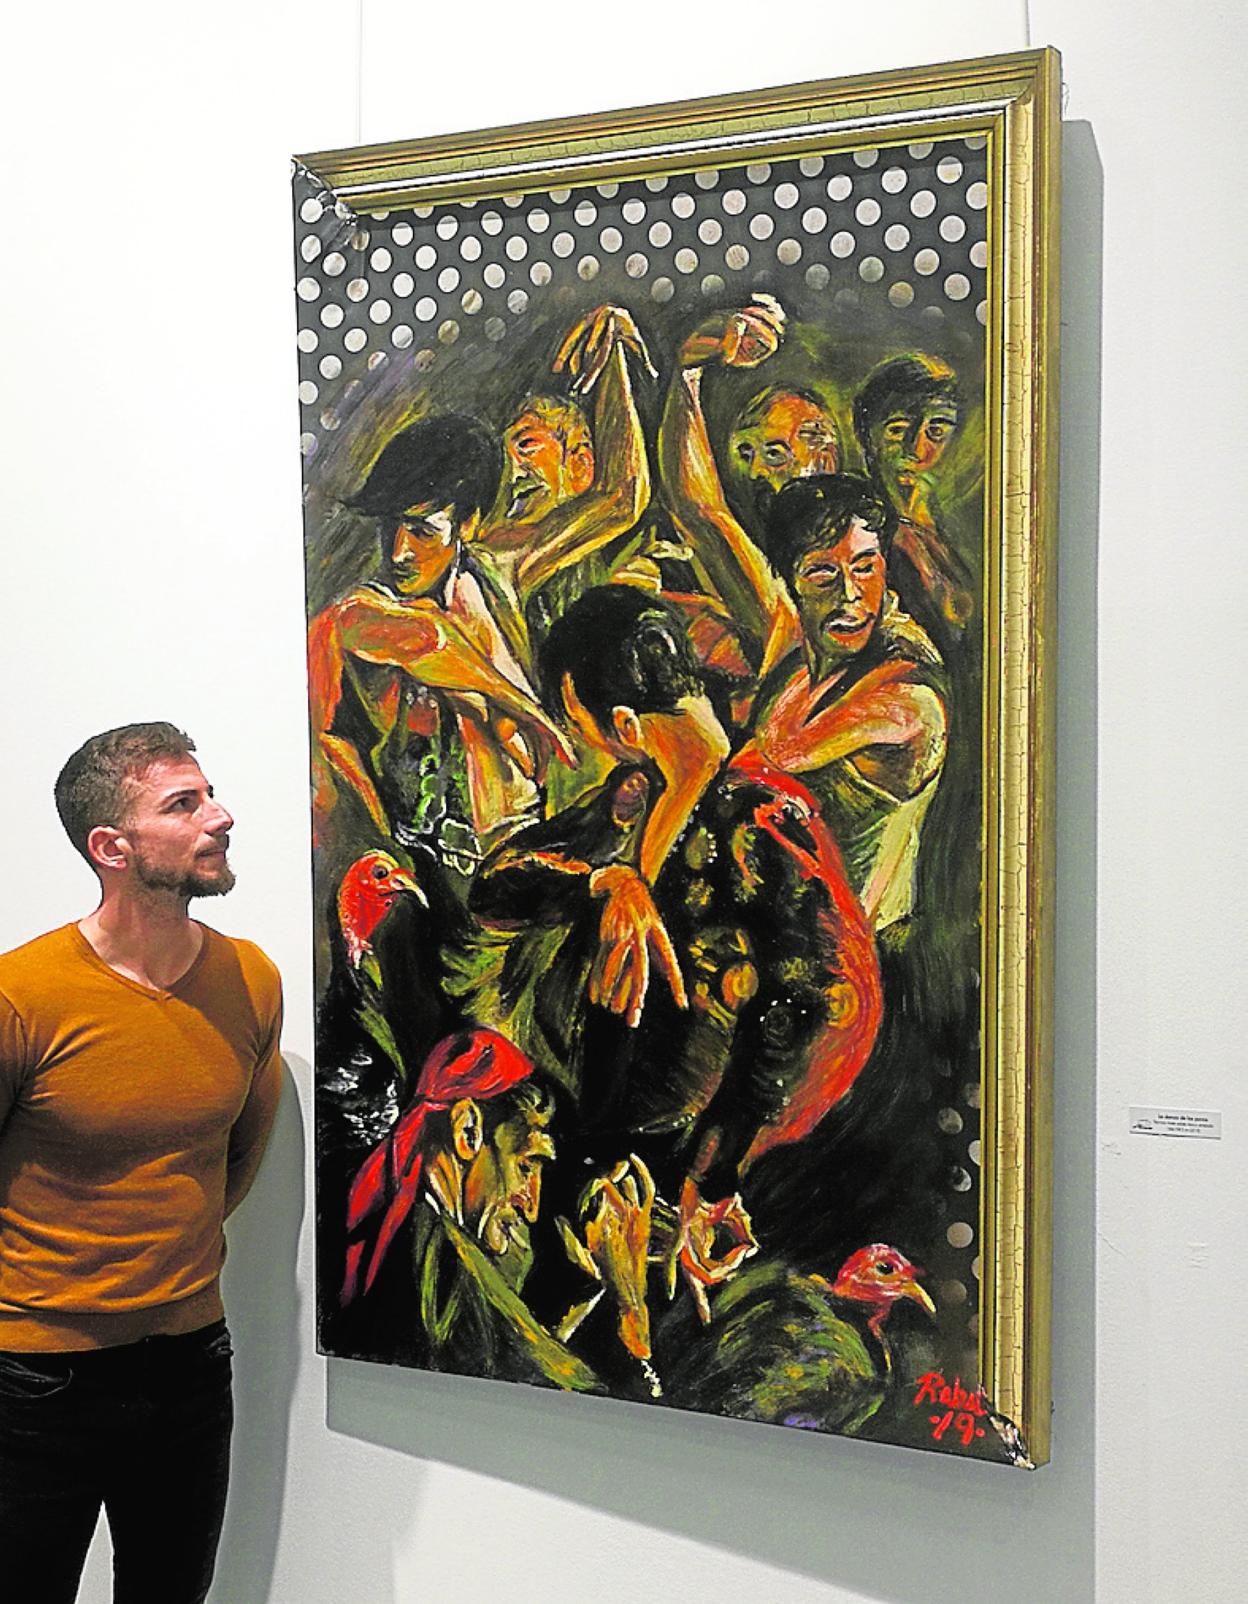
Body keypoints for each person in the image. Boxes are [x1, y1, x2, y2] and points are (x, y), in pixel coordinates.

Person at [451, 586, 883, 1327]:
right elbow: (492, 888)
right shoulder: (636, 793)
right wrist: (602, 882)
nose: (589, 746)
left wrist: (715, 1179)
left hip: (679, 1167)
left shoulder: (760, 816)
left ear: (624, 724)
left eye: (583, 728)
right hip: (600, 1128)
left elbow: (809, 1008)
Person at [0, 722, 283, 1604]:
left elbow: (236, 1156)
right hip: (34, 1377)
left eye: (211, 795)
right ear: (112, 848)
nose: (219, 817)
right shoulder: (22, 996)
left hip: (192, 1367)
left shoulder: (250, 979)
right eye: (184, 805)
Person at [307, 413, 572, 883]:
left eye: (422, 530)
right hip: (423, 868)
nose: (398, 552)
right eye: (391, 527)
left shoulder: (492, 577)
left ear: (467, 523)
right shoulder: (358, 612)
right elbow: (427, 640)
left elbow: (622, 501)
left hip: (520, 838)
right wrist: (522, 708)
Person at [337, 1027, 658, 1393]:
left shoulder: (421, 1237)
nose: (532, 1207)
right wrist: (631, 1307)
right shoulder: (446, 1268)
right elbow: (571, 1395)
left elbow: (510, 1363)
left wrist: (586, 1295)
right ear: (467, 1131)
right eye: (526, 1166)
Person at [745, 474, 948, 934]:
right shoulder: (799, 673)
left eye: (865, 568)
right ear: (789, 582)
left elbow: (782, 754)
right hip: (780, 936)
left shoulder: (907, 695)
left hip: (863, 952)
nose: (850, 595)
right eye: (822, 574)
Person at [851, 353, 974, 647]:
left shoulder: (944, 524)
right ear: (867, 436)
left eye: (937, 431)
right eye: (898, 429)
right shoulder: (861, 528)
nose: (917, 450)